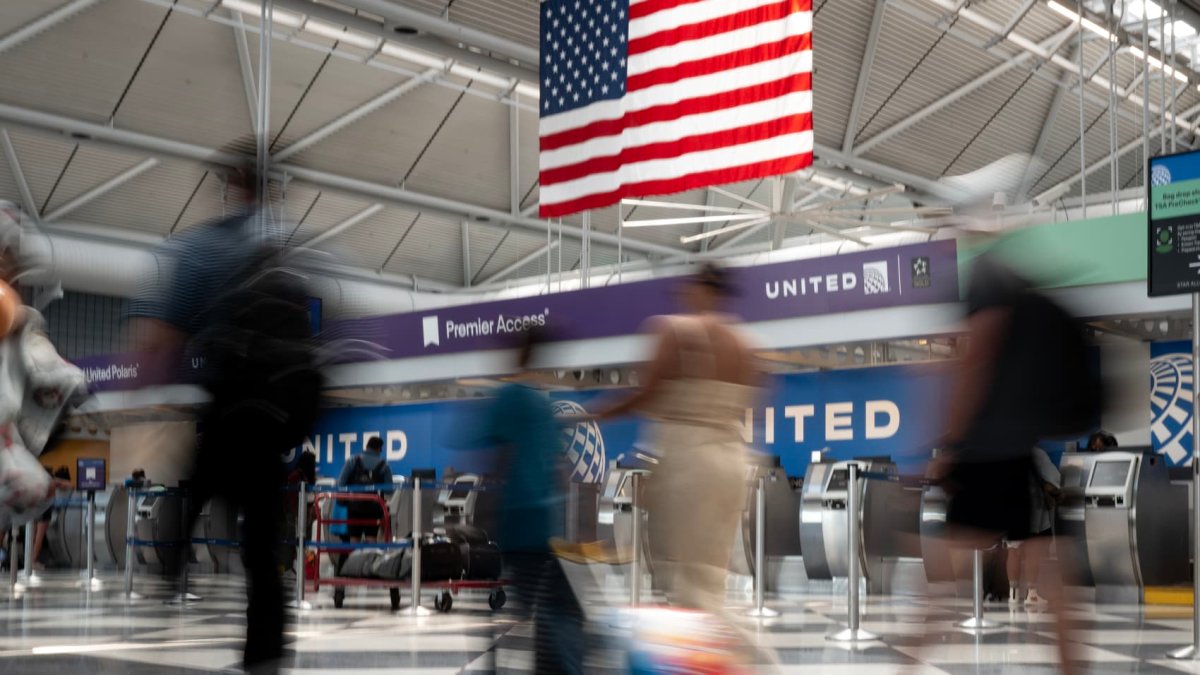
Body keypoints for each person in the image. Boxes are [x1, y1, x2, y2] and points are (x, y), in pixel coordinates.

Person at [127, 159, 321, 675]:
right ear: (268, 191)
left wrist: (149, 386)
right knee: (263, 552)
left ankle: (168, 575)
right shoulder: (292, 255)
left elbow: (164, 337)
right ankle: (266, 658)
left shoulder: (203, 248)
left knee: (190, 495)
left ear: (230, 188)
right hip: (272, 425)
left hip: (227, 410)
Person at [932, 255, 1099, 675]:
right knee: (1048, 568)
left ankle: (906, 666)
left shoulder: (986, 282)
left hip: (983, 456)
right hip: (1018, 452)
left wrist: (950, 444)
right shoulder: (1022, 293)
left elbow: (974, 367)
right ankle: (1072, 667)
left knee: (938, 580)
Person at [597, 263, 759, 612]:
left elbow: (646, 396)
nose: (685, 293)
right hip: (732, 463)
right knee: (710, 581)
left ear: (702, 288)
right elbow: (753, 400)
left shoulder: (673, 331)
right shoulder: (743, 343)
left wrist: (597, 414)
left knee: (685, 584)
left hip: (690, 466)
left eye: (689, 286)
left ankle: (733, 661)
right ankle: (719, 656)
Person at [474, 328, 583, 675]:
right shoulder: (541, 403)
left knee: (543, 607)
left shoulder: (508, 397)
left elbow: (499, 459)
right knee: (556, 608)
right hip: (541, 522)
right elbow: (558, 468)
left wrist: (488, 511)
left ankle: (530, 666)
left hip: (517, 518)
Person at [1006, 446, 1061, 605]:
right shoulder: (1037, 453)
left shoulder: (1007, 451)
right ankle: (1032, 594)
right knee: (1032, 550)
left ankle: (1013, 594)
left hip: (1010, 507)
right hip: (1032, 507)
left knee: (1013, 549)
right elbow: (1054, 478)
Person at [336, 437, 392, 543]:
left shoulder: (352, 460)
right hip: (373, 508)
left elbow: (341, 484)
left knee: (354, 541)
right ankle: (370, 559)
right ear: (379, 449)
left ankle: (353, 559)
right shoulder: (384, 465)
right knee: (371, 540)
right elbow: (389, 490)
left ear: (366, 447)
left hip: (354, 507)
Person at [29, 466, 71, 571]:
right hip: (45, 511)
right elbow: (69, 485)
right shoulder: (52, 482)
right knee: (39, 538)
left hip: (34, 510)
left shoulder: (35, 481)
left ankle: (28, 561)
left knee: (32, 537)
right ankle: (32, 561)